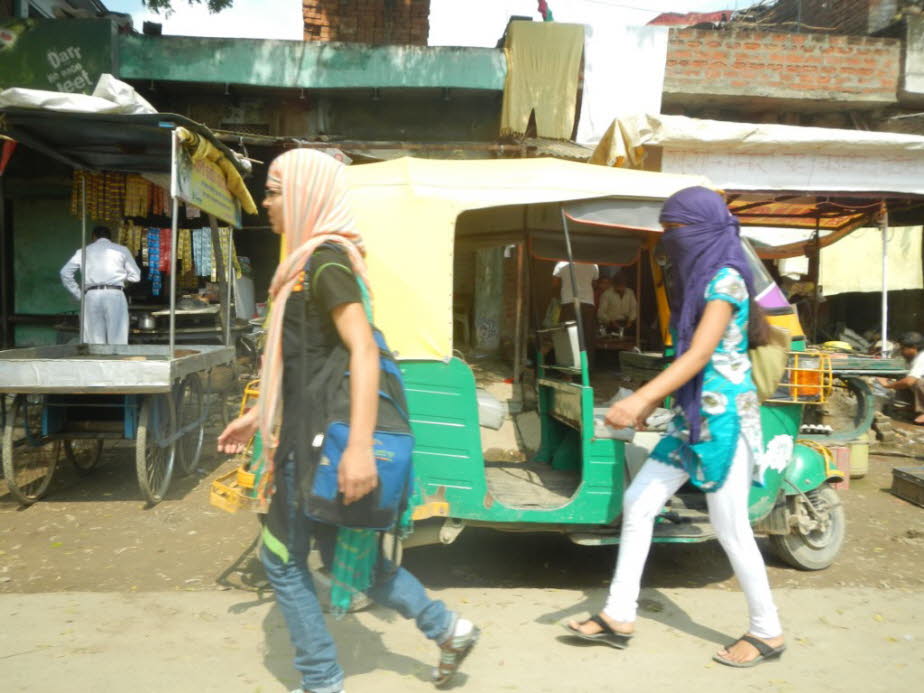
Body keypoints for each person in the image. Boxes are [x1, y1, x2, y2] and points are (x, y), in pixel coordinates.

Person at [217, 149, 478, 693]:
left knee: (282, 560)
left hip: (321, 447)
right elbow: (308, 363)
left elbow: (361, 351)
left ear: (308, 194)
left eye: (274, 191)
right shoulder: (305, 265)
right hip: (307, 436)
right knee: (347, 557)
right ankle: (447, 628)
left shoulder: (324, 263)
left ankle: (321, 679)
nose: (266, 203)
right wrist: (254, 416)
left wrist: (359, 449)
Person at [562, 187, 785, 668]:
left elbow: (702, 353)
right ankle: (619, 614)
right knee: (639, 503)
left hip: (724, 421)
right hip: (692, 417)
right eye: (665, 232)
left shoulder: (725, 280)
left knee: (731, 527)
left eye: (675, 231)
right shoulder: (699, 278)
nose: (669, 242)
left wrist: (643, 397)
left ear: (701, 230)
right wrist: (653, 404)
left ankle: (768, 631)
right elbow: (689, 360)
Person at [59, 225, 141, 344]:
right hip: (115, 295)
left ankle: (96, 360)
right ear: (110, 237)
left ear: (94, 237)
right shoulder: (121, 250)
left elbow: (65, 273)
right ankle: (116, 360)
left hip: (91, 295)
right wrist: (120, 282)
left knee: (94, 340)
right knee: (117, 338)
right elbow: (136, 276)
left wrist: (79, 294)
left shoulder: (83, 251)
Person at [552, 260, 599, 365]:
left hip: (569, 302)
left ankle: (568, 368)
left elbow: (555, 284)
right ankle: (587, 366)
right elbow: (594, 283)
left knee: (567, 335)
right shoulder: (593, 264)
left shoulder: (561, 264)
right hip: (588, 303)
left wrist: (560, 296)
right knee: (588, 336)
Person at [879, 331, 924, 425]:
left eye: (903, 348)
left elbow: (909, 382)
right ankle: (915, 406)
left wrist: (887, 385)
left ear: (914, 348)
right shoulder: (912, 357)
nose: (901, 351)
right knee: (903, 377)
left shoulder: (921, 358)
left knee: (917, 382)